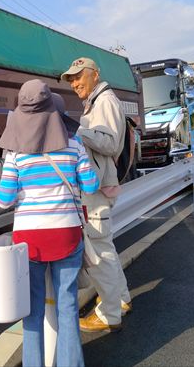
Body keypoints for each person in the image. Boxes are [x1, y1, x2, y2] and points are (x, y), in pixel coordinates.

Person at [0, 79, 99, 367]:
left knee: (32, 310)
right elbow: (91, 185)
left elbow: (3, 200)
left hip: (30, 242)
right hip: (67, 236)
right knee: (67, 306)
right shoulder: (74, 145)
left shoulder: (15, 154)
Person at [61, 57, 131, 333]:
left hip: (97, 189)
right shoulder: (97, 102)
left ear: (95, 74)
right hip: (100, 186)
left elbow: (110, 143)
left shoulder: (105, 102)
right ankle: (121, 299)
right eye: (71, 79)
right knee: (105, 247)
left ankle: (109, 314)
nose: (74, 83)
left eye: (79, 76)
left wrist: (77, 130)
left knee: (99, 252)